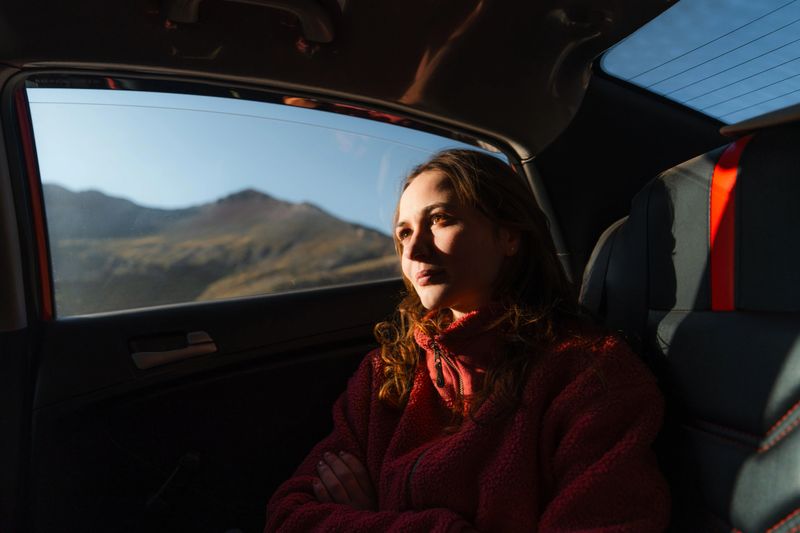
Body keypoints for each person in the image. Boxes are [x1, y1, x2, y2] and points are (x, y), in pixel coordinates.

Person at [265, 149, 670, 532]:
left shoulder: (589, 374)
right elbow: (287, 515)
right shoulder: (386, 373)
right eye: (404, 233)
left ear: (508, 236)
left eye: (440, 219)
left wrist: (373, 519)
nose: (414, 250)